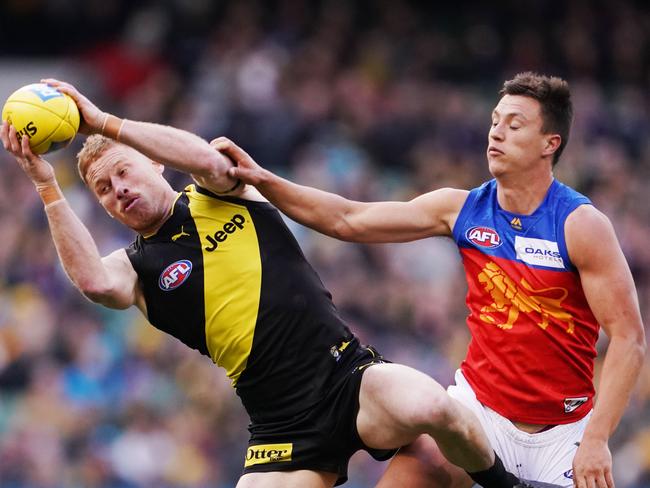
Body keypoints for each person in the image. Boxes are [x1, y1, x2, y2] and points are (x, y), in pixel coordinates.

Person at [0, 79, 543, 488]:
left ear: (156, 165)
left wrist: (103, 123)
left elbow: (208, 159)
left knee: (432, 408)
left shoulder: (218, 192)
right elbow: (93, 282)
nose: (117, 189)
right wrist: (48, 186)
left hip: (346, 377)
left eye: (124, 171)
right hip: (279, 426)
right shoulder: (136, 267)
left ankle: (509, 487)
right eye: (102, 188)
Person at [213, 72, 647, 488]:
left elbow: (628, 338)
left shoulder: (580, 224)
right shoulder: (460, 208)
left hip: (565, 431)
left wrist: (596, 439)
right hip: (479, 412)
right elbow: (348, 218)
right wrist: (263, 180)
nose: (496, 133)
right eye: (495, 122)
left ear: (550, 144)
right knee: (418, 469)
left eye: (515, 126)